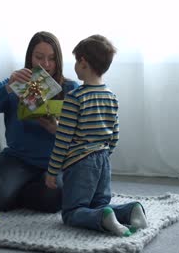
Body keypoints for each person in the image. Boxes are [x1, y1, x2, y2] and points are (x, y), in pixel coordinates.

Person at [0, 31, 79, 212]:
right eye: (39, 57)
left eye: (51, 59)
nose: (45, 65)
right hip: (18, 159)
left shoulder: (70, 89)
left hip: (55, 163)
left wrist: (57, 129)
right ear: (30, 58)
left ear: (59, 61)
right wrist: (7, 88)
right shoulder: (15, 83)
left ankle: (12, 191)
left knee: (53, 200)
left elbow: (85, 136)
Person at [45, 34, 148, 236]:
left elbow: (63, 138)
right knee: (99, 204)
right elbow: (115, 133)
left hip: (80, 162)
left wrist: (52, 170)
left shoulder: (75, 98)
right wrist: (103, 154)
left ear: (83, 62)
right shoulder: (110, 96)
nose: (74, 65)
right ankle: (131, 209)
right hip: (103, 160)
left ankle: (103, 218)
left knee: (72, 212)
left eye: (76, 61)